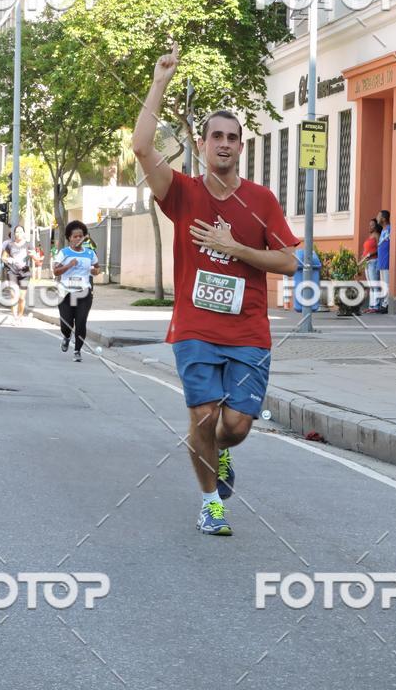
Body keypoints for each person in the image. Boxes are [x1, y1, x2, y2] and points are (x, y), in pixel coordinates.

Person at [132, 43, 298, 536]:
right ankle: (210, 504)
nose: (224, 144)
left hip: (248, 332)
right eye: (216, 136)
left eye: (233, 138)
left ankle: (218, 459)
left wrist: (236, 247)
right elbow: (142, 147)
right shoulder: (183, 192)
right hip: (196, 328)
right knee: (204, 418)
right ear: (201, 144)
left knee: (236, 428)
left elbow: (290, 261)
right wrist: (160, 79)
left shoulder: (261, 201)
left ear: (240, 148)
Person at [53, 221, 100, 362]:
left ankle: (77, 350)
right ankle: (66, 337)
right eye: (75, 236)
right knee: (66, 324)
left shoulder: (90, 253)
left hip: (84, 292)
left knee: (81, 322)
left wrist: (93, 270)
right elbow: (55, 271)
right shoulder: (64, 253)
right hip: (66, 292)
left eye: (81, 236)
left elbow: (97, 268)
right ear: (69, 238)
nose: (78, 239)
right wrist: (69, 265)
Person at [1, 225, 41, 324]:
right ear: (14, 234)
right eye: (16, 232)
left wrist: (34, 256)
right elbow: (3, 257)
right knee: (14, 295)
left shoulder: (28, 245)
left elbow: (37, 260)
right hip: (12, 271)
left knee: (22, 297)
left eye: (20, 231)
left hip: (25, 272)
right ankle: (14, 317)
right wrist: (8, 259)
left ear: (24, 233)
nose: (18, 234)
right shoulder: (10, 245)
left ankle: (20, 316)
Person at [358, 218, 382, 314]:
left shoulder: (377, 235)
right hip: (367, 262)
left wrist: (370, 255)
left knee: (374, 284)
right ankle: (371, 305)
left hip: (373, 261)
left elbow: (379, 248)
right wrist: (362, 258)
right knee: (370, 285)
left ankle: (376, 306)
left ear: (376, 226)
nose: (370, 226)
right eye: (369, 225)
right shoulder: (370, 236)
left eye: (372, 225)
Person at [376, 209, 391, 314]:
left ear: (384, 219)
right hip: (381, 261)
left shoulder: (390, 229)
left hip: (386, 261)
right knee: (383, 283)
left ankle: (386, 304)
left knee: (386, 283)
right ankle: (383, 303)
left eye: (379, 216)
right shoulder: (383, 230)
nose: (377, 218)